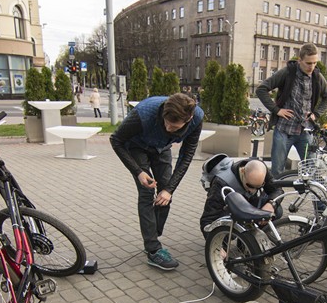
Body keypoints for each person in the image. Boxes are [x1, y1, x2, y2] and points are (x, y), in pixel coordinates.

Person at [110, 93, 204, 270]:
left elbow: (187, 155)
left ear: (188, 119)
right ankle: (153, 249)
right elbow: (116, 140)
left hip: (162, 148)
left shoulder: (196, 118)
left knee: (165, 192)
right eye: (166, 122)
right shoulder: (143, 114)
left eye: (174, 126)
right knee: (146, 192)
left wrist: (169, 189)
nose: (169, 128)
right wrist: (138, 172)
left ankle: (153, 235)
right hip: (137, 147)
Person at [256, 43, 327, 177]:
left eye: (315, 63)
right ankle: (274, 197)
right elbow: (261, 89)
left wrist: (316, 114)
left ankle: (316, 197)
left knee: (313, 171)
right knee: (277, 172)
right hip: (284, 131)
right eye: (308, 63)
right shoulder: (287, 73)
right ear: (300, 60)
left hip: (305, 131)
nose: (312, 67)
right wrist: (276, 110)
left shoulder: (316, 76)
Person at [200, 159, 283, 236]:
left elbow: (277, 190)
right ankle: (229, 238)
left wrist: (271, 204)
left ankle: (250, 237)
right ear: (243, 171)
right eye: (250, 186)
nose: (252, 191)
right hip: (229, 210)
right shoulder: (221, 183)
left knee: (276, 210)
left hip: (248, 203)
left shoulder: (261, 169)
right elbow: (207, 220)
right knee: (229, 232)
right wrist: (217, 248)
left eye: (258, 187)